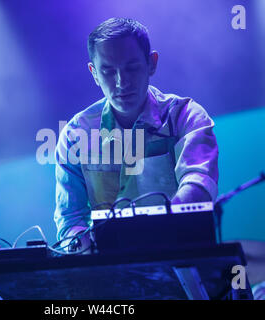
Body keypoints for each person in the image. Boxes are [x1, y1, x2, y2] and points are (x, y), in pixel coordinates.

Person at [53, 18, 219, 252]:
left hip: (183, 261)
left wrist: (158, 233)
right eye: (109, 71)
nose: (122, 82)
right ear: (94, 73)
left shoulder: (186, 117)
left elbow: (198, 188)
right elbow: (70, 218)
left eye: (131, 68)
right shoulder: (75, 134)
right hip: (108, 276)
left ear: (152, 63)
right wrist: (81, 245)